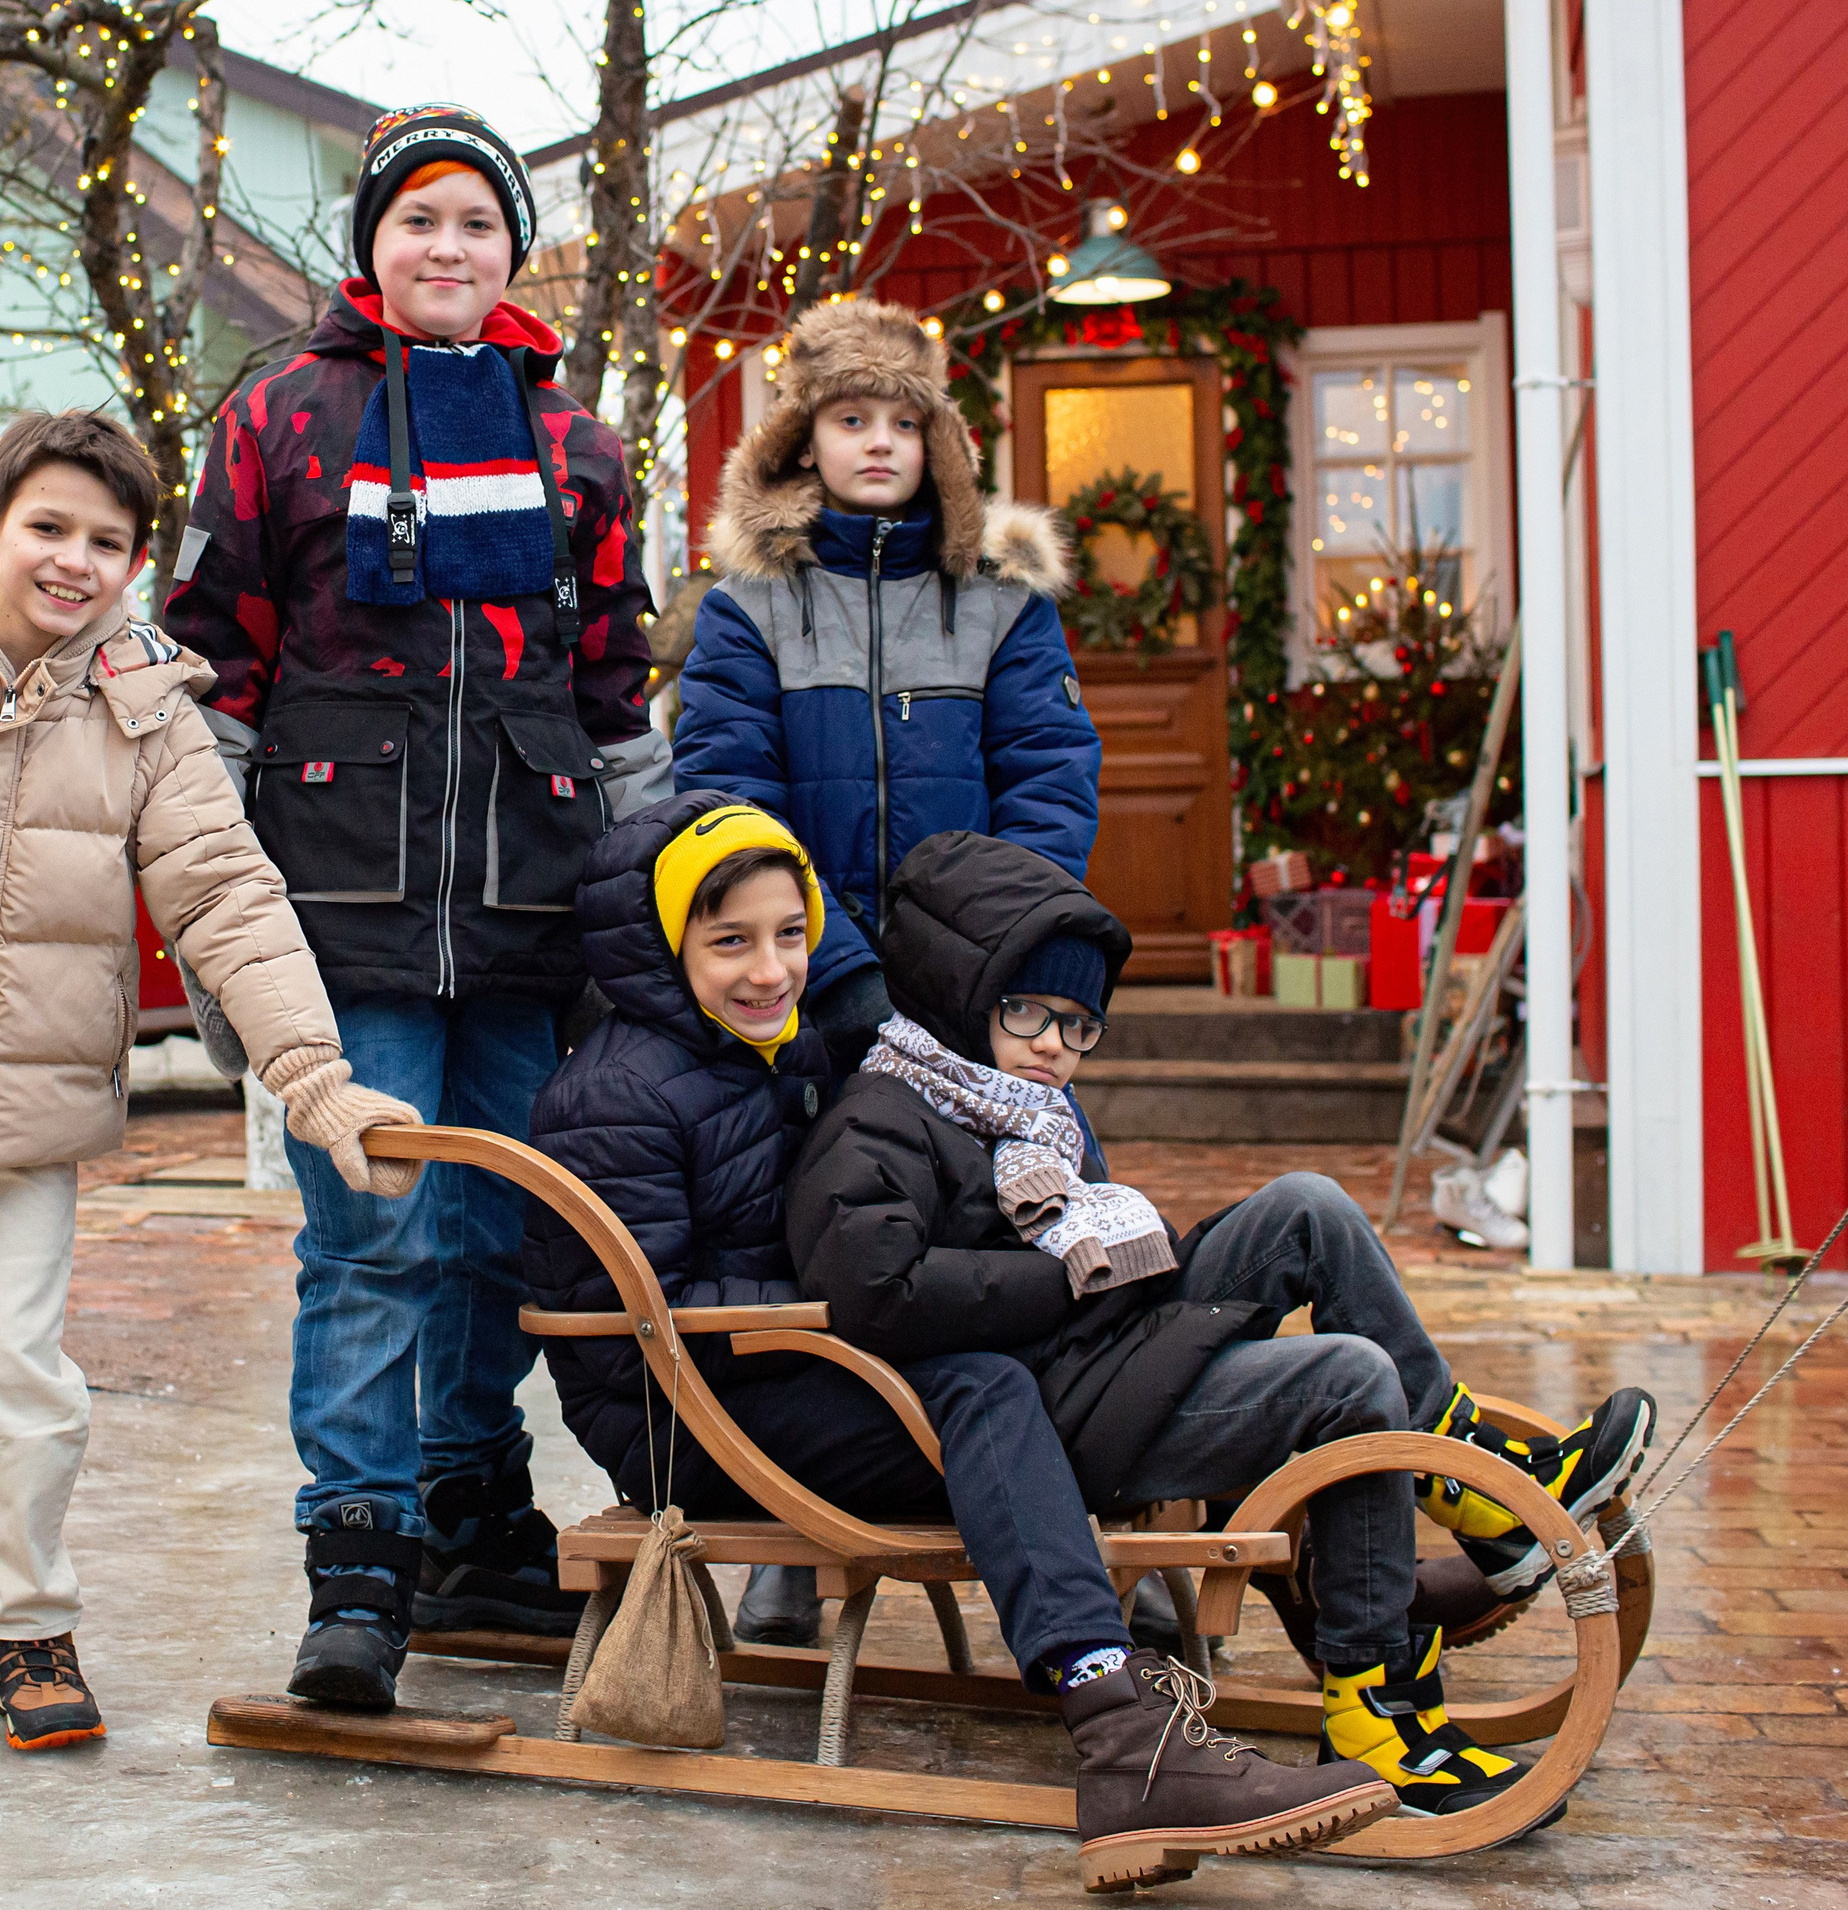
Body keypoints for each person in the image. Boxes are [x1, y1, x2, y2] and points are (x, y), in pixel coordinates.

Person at [524, 792, 1395, 1887]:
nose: (770, 969)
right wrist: (846, 1285)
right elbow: (649, 1303)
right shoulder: (615, 1090)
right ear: (665, 942)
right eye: (729, 941)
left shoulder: (782, 1049)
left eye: (790, 936)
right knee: (976, 1377)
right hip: (684, 1406)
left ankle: (1394, 1540)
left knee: (997, 1346)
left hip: (785, 1359)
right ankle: (1117, 1730)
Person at [0, 410, 423, 1749]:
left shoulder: (150, 714)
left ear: (136, 561)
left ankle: (30, 1626)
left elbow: (227, 896)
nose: (72, 559)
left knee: (24, 1375)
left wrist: (315, 1078)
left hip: (30, 1106)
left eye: (107, 541)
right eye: (48, 526)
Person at [789, 830, 1659, 1821]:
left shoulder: (1023, 1112)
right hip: (1047, 1411)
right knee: (1346, 1375)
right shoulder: (880, 1115)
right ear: (957, 989)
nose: (1050, 1047)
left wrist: (1111, 1250)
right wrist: (1065, 1277)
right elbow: (875, 1293)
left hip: (1105, 1351)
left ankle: (1476, 1477)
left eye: (1076, 1027)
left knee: (1308, 1203)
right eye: (1024, 1010)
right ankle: (1373, 1699)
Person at [163, 103, 669, 1711]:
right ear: (372, 241)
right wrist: (206, 908)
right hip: (345, 910)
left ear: (514, 251)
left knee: (509, 1231)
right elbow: (214, 678)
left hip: (532, 918)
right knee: (373, 1236)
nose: (446, 250)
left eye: (477, 225)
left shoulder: (575, 448)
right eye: (418, 222)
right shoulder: (281, 419)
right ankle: (359, 1561)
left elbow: (616, 700)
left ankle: (468, 1496)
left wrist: (642, 917)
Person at [672, 296, 1102, 1081]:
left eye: (905, 423)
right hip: (801, 987)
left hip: (974, 982)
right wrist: (838, 966)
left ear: (936, 444)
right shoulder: (748, 607)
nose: (881, 442)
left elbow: (1050, 781)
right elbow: (728, 794)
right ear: (803, 441)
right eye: (851, 419)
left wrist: (988, 949)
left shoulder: (1001, 603)